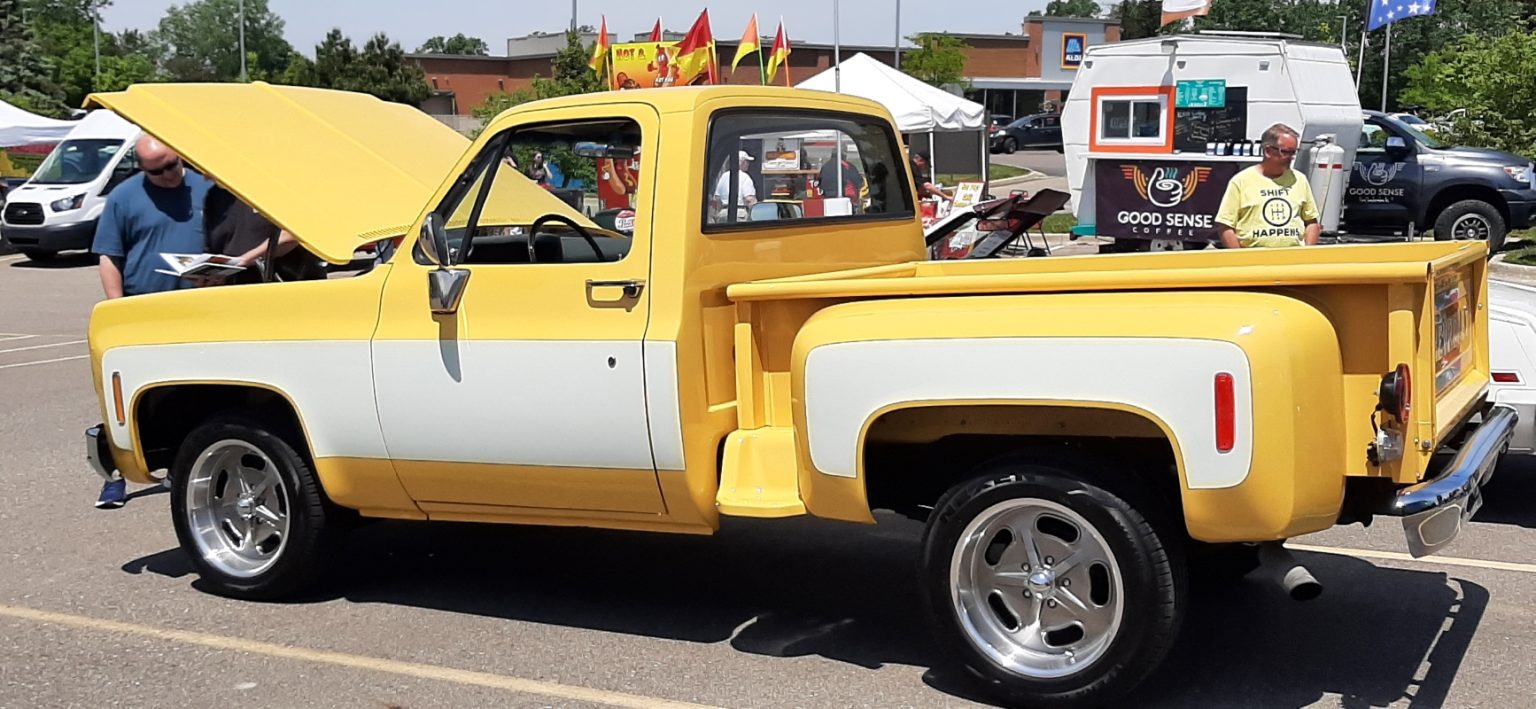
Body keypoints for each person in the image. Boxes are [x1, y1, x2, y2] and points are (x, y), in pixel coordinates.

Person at [90, 135, 213, 508]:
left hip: (197, 310)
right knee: (127, 398)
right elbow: (109, 256)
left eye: (173, 165)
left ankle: (182, 466)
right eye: (157, 171)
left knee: (193, 393)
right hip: (144, 311)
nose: (169, 174)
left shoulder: (206, 188)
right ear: (142, 169)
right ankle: (115, 476)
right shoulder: (123, 198)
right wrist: (116, 309)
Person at [1215, 123, 1322, 249]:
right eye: (1285, 152)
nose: (1291, 158)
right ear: (1268, 151)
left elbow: (1311, 222)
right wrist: (1240, 257)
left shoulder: (1299, 180)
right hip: (1254, 257)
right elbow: (1225, 226)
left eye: (1293, 152)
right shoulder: (1241, 181)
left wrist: (1307, 251)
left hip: (1293, 257)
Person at [204, 184, 325, 284]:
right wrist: (210, 274)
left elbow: (293, 234)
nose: (205, 177)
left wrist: (244, 260)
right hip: (234, 286)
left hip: (284, 283)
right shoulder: (215, 195)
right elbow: (214, 247)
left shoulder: (276, 186)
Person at [710, 150, 757, 219]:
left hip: (723, 213)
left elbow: (717, 198)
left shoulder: (724, 176)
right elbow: (749, 200)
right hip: (739, 213)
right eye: (747, 161)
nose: (748, 164)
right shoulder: (745, 177)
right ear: (743, 162)